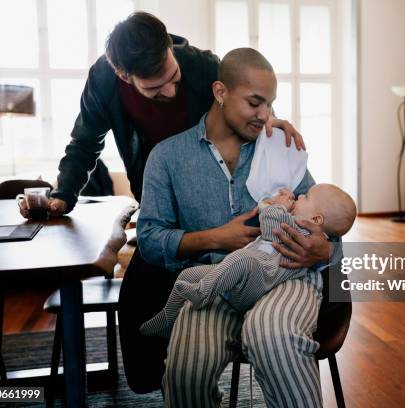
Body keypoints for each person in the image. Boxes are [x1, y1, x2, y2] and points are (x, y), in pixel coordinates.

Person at [137, 48, 335, 407]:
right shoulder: (167, 158)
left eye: (270, 104)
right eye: (255, 103)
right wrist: (215, 237)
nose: (266, 115)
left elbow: (326, 218)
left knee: (273, 336)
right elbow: (149, 239)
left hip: (285, 278)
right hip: (214, 283)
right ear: (220, 92)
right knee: (185, 374)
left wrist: (326, 250)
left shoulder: (281, 148)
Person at [18, 11, 304, 218]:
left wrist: (266, 119)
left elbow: (242, 96)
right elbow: (84, 143)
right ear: (124, 76)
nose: (169, 91)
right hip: (153, 191)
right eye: (155, 87)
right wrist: (64, 196)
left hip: (207, 191)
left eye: (174, 78)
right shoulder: (103, 81)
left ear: (169, 46)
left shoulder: (203, 66)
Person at [139, 185, 356, 339]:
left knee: (242, 259)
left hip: (259, 281)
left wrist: (278, 207)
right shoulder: (299, 224)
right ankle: (167, 319)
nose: (299, 196)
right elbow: (268, 213)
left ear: (317, 220)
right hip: (247, 274)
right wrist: (273, 204)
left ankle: (202, 294)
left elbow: (271, 228)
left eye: (305, 197)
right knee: (187, 275)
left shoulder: (304, 234)